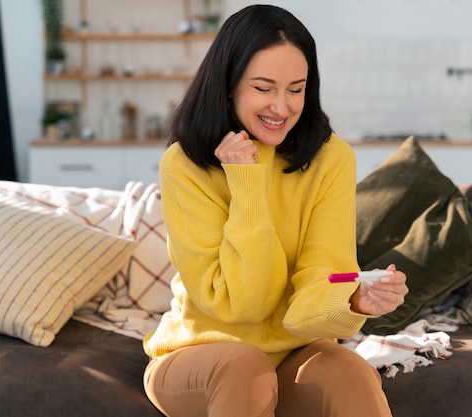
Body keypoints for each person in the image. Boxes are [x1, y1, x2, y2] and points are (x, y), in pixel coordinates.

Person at [143, 5, 408, 417]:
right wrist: (246, 183)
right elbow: (241, 305)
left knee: (348, 372)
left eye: (296, 88)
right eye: (263, 88)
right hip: (200, 356)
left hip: (295, 354)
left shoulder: (331, 158)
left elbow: (319, 281)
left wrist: (352, 300)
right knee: (244, 366)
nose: (281, 107)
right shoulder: (183, 165)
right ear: (228, 85)